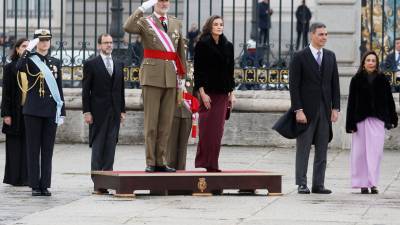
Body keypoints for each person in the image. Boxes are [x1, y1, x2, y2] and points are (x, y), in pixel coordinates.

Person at [124, 0, 186, 172]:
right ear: (154, 3)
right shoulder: (145, 21)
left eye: (166, 1)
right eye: (160, 1)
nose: (164, 4)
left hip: (171, 76)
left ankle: (161, 160)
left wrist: (182, 76)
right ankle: (151, 161)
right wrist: (142, 8)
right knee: (151, 123)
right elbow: (128, 27)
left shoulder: (175, 22)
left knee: (166, 123)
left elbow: (180, 51)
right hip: (152, 76)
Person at [289, 22, 340, 194]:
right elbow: (294, 86)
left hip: (325, 110)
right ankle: (302, 183)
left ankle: (319, 184)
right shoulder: (299, 56)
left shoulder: (331, 56)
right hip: (306, 111)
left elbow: (335, 84)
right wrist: (298, 110)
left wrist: (336, 108)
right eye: (321, 34)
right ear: (312, 35)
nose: (324, 37)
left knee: (322, 148)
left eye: (326, 34)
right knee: (303, 148)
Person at [16, 29, 66, 196]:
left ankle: (44, 184)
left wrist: (62, 111)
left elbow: (59, 88)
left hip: (51, 110)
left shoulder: (55, 62)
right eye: (41, 40)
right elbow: (18, 67)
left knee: (47, 149)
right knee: (33, 149)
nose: (44, 43)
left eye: (47, 40)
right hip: (33, 110)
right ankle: (34, 185)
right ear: (36, 42)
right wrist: (28, 49)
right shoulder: (29, 60)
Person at [346, 50, 398, 194]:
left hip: (377, 120)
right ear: (363, 63)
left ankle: (373, 183)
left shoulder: (383, 79)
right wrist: (350, 124)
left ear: (377, 63)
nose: (370, 63)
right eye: (368, 60)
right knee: (360, 153)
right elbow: (351, 102)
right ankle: (363, 183)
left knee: (375, 153)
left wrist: (393, 118)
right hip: (360, 120)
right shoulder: (356, 79)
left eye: (373, 61)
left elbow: (389, 100)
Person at [82, 34, 126, 194]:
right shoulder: (91, 64)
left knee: (110, 147)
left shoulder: (119, 64)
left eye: (110, 42)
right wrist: (86, 111)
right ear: (99, 45)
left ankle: (108, 179)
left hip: (114, 112)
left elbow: (120, 90)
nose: (109, 45)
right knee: (98, 147)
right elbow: (86, 91)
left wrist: (122, 110)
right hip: (97, 112)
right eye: (106, 43)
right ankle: (97, 183)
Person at [193, 15, 235, 172]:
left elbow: (230, 72)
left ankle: (213, 164)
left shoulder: (228, 46)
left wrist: (232, 93)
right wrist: (202, 93)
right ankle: (204, 162)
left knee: (217, 132)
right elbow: (198, 71)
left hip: (223, 94)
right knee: (206, 130)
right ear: (210, 26)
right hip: (208, 94)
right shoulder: (202, 45)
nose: (219, 27)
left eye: (221, 24)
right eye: (216, 24)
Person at [1, 38, 29, 186]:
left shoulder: (32, 67)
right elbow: (6, 93)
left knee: (27, 146)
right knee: (14, 147)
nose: (26, 48)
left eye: (28, 46)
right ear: (17, 49)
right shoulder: (10, 67)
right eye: (23, 46)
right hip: (14, 112)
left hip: (29, 112)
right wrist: (6, 114)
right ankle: (13, 178)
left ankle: (26, 177)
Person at [166, 84, 199, 170]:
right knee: (171, 146)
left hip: (188, 112)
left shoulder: (192, 71)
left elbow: (196, 90)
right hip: (173, 111)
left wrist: (196, 108)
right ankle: (168, 173)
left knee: (183, 148)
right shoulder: (172, 70)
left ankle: (181, 173)